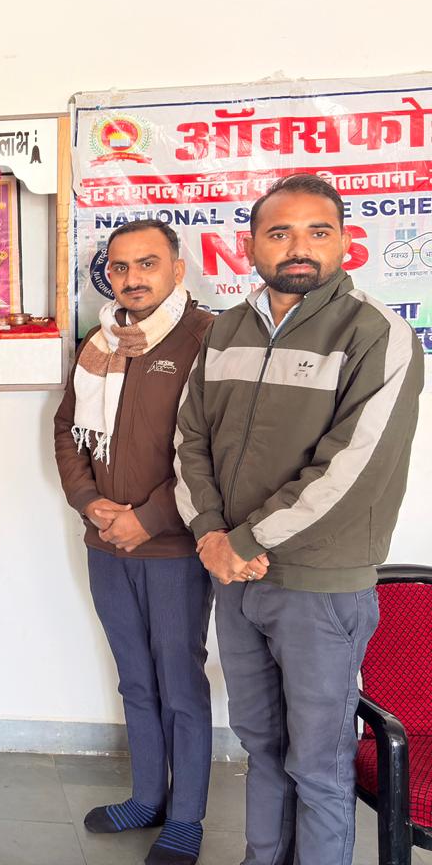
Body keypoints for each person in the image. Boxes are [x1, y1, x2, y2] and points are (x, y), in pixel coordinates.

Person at [174, 174, 422, 865]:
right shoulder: (226, 329)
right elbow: (190, 439)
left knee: (318, 761)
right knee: (261, 744)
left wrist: (242, 540)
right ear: (251, 244)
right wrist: (211, 536)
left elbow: (353, 466)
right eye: (280, 232)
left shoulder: (377, 333)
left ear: (345, 241)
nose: (299, 247)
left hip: (319, 585)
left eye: (319, 231)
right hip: (235, 576)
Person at [53, 220, 216, 865]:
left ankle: (187, 817)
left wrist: (149, 518)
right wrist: (88, 501)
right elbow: (68, 428)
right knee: (135, 678)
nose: (132, 279)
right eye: (120, 267)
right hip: (106, 544)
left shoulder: (208, 338)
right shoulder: (99, 342)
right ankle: (147, 797)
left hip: (173, 548)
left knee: (180, 683)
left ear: (178, 269)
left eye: (147, 264)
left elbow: (216, 451)